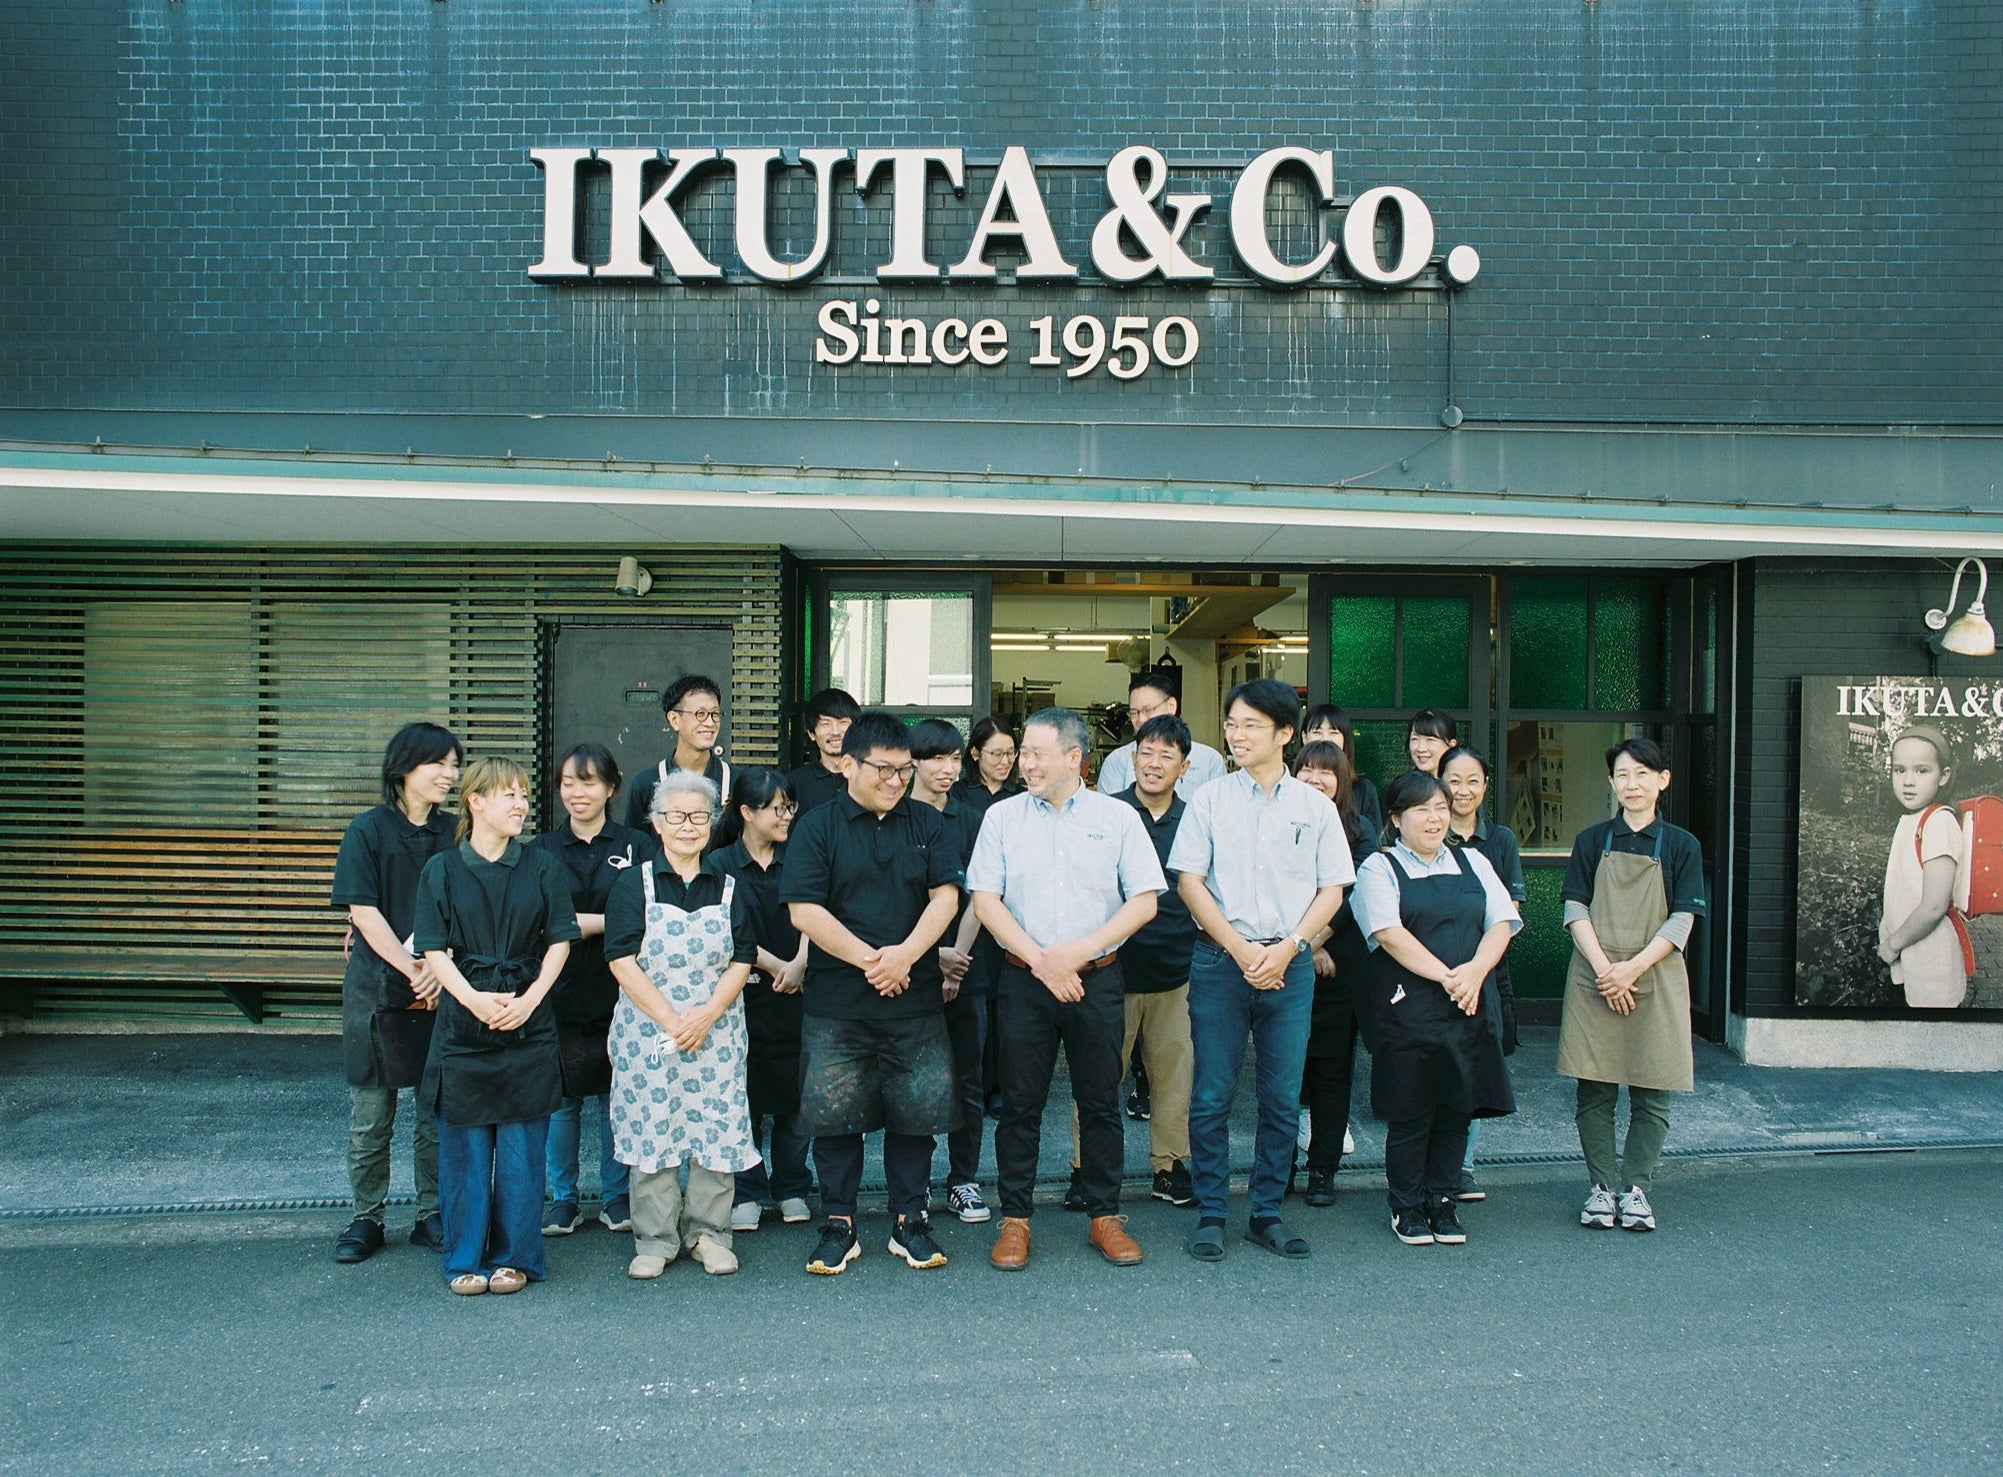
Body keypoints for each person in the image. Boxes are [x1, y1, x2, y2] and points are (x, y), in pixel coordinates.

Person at [968, 707, 1163, 1270]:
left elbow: (1144, 901)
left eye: (1036, 754)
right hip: (1023, 980)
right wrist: (1042, 962)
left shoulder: (1117, 818)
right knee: (1019, 1105)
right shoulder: (1002, 818)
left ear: (1074, 758)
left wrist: (1077, 954)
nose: (1024, 764)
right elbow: (985, 901)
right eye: (1022, 753)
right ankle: (1015, 1219)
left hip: (1096, 980)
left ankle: (1105, 1216)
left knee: (1100, 1102)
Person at [1169, 678, 1354, 1262]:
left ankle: (1266, 1212)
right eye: (1231, 724)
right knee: (1211, 1093)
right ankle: (1211, 1211)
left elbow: (1333, 889)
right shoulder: (1210, 799)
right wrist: (1241, 949)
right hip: (1219, 960)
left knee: (1280, 1097)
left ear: (1284, 733)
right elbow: (1189, 882)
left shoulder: (1314, 807)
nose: (1237, 734)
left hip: (1288, 965)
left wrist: (1291, 947)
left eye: (1250, 725)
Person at [781, 711, 963, 1275]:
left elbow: (946, 897)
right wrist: (875, 962)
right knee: (834, 1118)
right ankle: (839, 1223)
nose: (896, 780)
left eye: (904, 770)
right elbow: (804, 910)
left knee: (917, 1117)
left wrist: (906, 956)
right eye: (883, 769)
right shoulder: (817, 826)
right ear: (848, 764)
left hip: (915, 999)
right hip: (838, 1003)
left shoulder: (927, 823)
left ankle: (911, 1220)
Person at [413, 758, 580, 1294]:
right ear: (475, 801)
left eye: (524, 795)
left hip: (529, 1017)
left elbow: (560, 941)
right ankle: (463, 1257)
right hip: (464, 1024)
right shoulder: (441, 869)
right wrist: (472, 1000)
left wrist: (531, 1000)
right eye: (509, 794)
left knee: (521, 1154)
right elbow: (433, 949)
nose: (521, 805)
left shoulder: (542, 865)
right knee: (462, 1152)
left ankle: (515, 1258)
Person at [1351, 770, 1520, 1247]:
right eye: (1421, 809)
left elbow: (1502, 921)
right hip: (1410, 1007)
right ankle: (1406, 1206)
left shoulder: (1473, 861)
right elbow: (1388, 934)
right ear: (1395, 819)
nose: (1434, 819)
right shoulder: (1379, 868)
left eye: (1441, 808)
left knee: (1457, 1108)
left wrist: (1475, 972)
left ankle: (1443, 1200)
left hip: (1469, 1002)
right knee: (1413, 1111)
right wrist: (1449, 977)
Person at [604, 770, 760, 1278]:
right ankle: (654, 1239)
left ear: (712, 822)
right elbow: (621, 959)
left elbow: (743, 957)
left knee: (717, 1127)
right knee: (654, 1125)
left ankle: (710, 1234)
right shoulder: (633, 884)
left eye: (698, 816)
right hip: (650, 1031)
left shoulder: (729, 886)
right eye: (676, 816)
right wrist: (672, 1021)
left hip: (716, 1031)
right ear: (656, 822)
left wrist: (709, 1013)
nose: (688, 826)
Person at [1556, 737, 1707, 1233]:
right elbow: (1575, 908)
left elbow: (1683, 918)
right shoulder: (1591, 840)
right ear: (1611, 783)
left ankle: (1636, 1188)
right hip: (1594, 975)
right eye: (1622, 774)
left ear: (1663, 780)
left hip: (1654, 976)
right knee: (1594, 1090)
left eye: (1643, 774)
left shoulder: (1683, 845)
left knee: (1652, 1092)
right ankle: (1601, 1187)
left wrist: (1631, 970)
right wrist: (1607, 970)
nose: (1632, 784)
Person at [328, 721, 463, 1265]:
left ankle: (431, 1213)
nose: (450, 774)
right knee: (371, 1114)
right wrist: (412, 966)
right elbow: (362, 910)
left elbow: (470, 902)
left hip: (442, 985)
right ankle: (367, 1216)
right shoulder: (367, 830)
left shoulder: (456, 831)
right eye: (439, 764)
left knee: (436, 1112)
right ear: (404, 767)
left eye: (454, 765)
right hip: (378, 988)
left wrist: (439, 967)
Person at [1067, 712, 1199, 1210]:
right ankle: (1086, 1170)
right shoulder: (1105, 813)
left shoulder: (1196, 819)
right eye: (1146, 753)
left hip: (1176, 973)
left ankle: (1170, 1167)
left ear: (1184, 766)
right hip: (1109, 973)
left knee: (1174, 1079)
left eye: (1167, 755)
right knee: (1097, 1079)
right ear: (1132, 758)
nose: (1154, 763)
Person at [530, 743, 658, 1239]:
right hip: (558, 990)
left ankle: (614, 1195)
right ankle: (563, 1200)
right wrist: (610, 922)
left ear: (611, 787)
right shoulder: (541, 849)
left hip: (624, 990)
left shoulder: (638, 845)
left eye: (587, 782)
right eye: (568, 783)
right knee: (562, 1102)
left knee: (615, 1097)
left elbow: (649, 912)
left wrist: (576, 923)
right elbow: (542, 921)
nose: (576, 793)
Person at [712, 768, 816, 1232]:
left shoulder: (800, 856)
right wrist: (778, 967)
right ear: (746, 813)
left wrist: (801, 963)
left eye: (790, 807)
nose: (786, 815)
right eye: (777, 808)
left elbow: (817, 910)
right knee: (744, 1098)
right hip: (744, 994)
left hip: (800, 990)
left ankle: (792, 1185)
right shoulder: (720, 864)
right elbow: (724, 932)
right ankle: (747, 1190)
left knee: (798, 1098)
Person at [907, 718, 995, 1226]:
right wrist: (933, 953)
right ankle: (913, 1184)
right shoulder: (898, 815)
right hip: (913, 967)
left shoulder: (974, 818)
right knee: (915, 1081)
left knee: (968, 1080)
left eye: (955, 759)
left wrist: (956, 960)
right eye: (936, 758)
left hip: (969, 967)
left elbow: (982, 894)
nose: (947, 769)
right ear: (913, 762)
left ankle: (963, 1179)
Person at [1291, 740, 1379, 1207]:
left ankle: (1322, 1169)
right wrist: (1304, 947)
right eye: (1306, 769)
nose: (1315, 778)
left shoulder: (1359, 829)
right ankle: (1278, 1166)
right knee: (1283, 1070)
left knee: (1331, 1070)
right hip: (1285, 960)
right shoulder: (1278, 821)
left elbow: (1353, 891)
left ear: (1342, 780)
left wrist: (1313, 941)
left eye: (1326, 771)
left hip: (1338, 966)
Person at [1440, 743, 1527, 1203]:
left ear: (1486, 785)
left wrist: (1476, 967)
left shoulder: (1501, 840)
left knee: (1475, 1064)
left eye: (1473, 780)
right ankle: (1436, 1165)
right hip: (1434, 970)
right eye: (1453, 780)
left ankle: (1463, 1166)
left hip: (1487, 970)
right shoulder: (1426, 831)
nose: (1463, 790)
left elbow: (1510, 911)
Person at [1877, 726, 1969, 1009]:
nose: (1908, 781)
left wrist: (1893, 944)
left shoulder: (1939, 822)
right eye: (1899, 770)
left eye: (1921, 771)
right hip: (1912, 956)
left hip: (1932, 963)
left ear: (1943, 776)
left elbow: (1933, 906)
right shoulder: (1913, 819)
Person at [1096, 668, 1228, 799]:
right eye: (1134, 712)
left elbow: (1219, 809)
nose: (1141, 719)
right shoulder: (1117, 761)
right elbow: (1107, 810)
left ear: (1171, 706)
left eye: (1148, 710)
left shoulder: (1209, 761)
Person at [624, 673, 731, 830]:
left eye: (715, 714)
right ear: (674, 720)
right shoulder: (646, 784)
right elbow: (635, 843)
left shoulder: (735, 782)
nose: (710, 723)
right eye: (700, 714)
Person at [1303, 703, 1382, 833]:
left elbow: (1375, 839)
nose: (1325, 739)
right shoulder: (1292, 785)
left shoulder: (1363, 789)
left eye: (1333, 732)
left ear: (1345, 739)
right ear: (1304, 737)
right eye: (1317, 732)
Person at [787, 688, 860, 816]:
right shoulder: (794, 784)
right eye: (825, 724)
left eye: (843, 722)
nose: (835, 732)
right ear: (811, 734)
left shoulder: (869, 778)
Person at [956, 716, 1023, 814]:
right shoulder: (955, 794)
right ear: (975, 753)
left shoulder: (1022, 797)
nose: (1005, 761)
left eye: (1010, 753)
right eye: (997, 754)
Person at [1406, 709, 1458, 778]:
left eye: (1430, 740)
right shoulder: (1403, 784)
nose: (1421, 749)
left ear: (1451, 745)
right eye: (1415, 739)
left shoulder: (1462, 783)